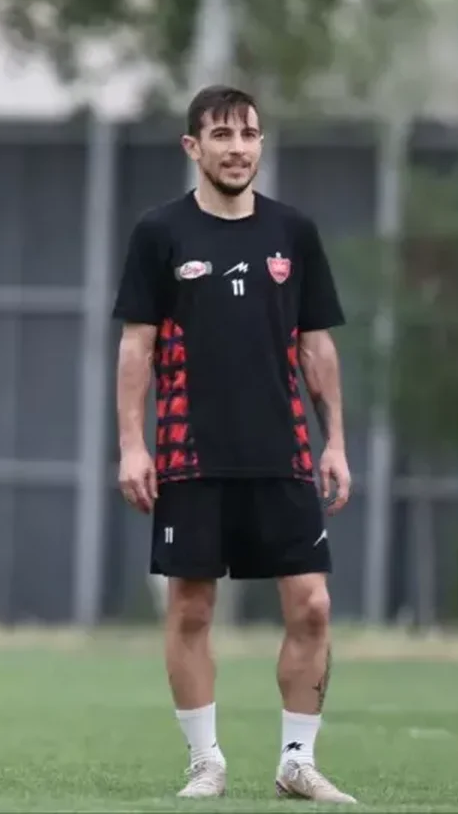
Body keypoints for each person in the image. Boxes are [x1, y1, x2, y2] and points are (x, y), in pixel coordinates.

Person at [113, 85, 356, 804]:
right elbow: (137, 346)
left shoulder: (293, 232)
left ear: (261, 144)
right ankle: (205, 761)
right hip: (190, 454)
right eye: (221, 135)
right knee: (191, 608)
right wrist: (131, 445)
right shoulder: (160, 232)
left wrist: (335, 442)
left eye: (248, 134)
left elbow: (316, 346)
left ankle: (297, 761)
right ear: (193, 147)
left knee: (312, 605)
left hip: (284, 453)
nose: (237, 148)